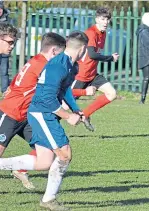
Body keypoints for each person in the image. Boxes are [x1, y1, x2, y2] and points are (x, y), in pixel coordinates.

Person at [0, 31, 88, 210]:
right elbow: (47, 98)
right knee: (64, 153)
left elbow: (63, 90)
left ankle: (44, 196)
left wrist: (76, 110)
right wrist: (68, 115)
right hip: (17, 112)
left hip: (27, 115)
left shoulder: (68, 65)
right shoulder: (51, 65)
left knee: (45, 161)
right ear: (83, 48)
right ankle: (49, 200)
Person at [0, 32, 66, 190]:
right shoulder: (42, 66)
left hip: (27, 116)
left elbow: (20, 79)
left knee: (47, 150)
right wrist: (83, 92)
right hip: (11, 113)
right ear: (54, 51)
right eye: (61, 54)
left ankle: (19, 168)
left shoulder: (37, 60)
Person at [72, 7, 119, 131]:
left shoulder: (102, 33)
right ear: (96, 19)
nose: (105, 22)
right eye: (103, 19)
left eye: (107, 19)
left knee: (112, 93)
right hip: (81, 75)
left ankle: (85, 114)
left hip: (92, 74)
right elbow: (92, 54)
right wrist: (110, 58)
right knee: (64, 107)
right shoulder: (91, 33)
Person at [0, 2, 11, 93]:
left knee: (4, 72)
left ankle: (4, 91)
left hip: (3, 52)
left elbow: (12, 34)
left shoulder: (7, 20)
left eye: (1, 9)